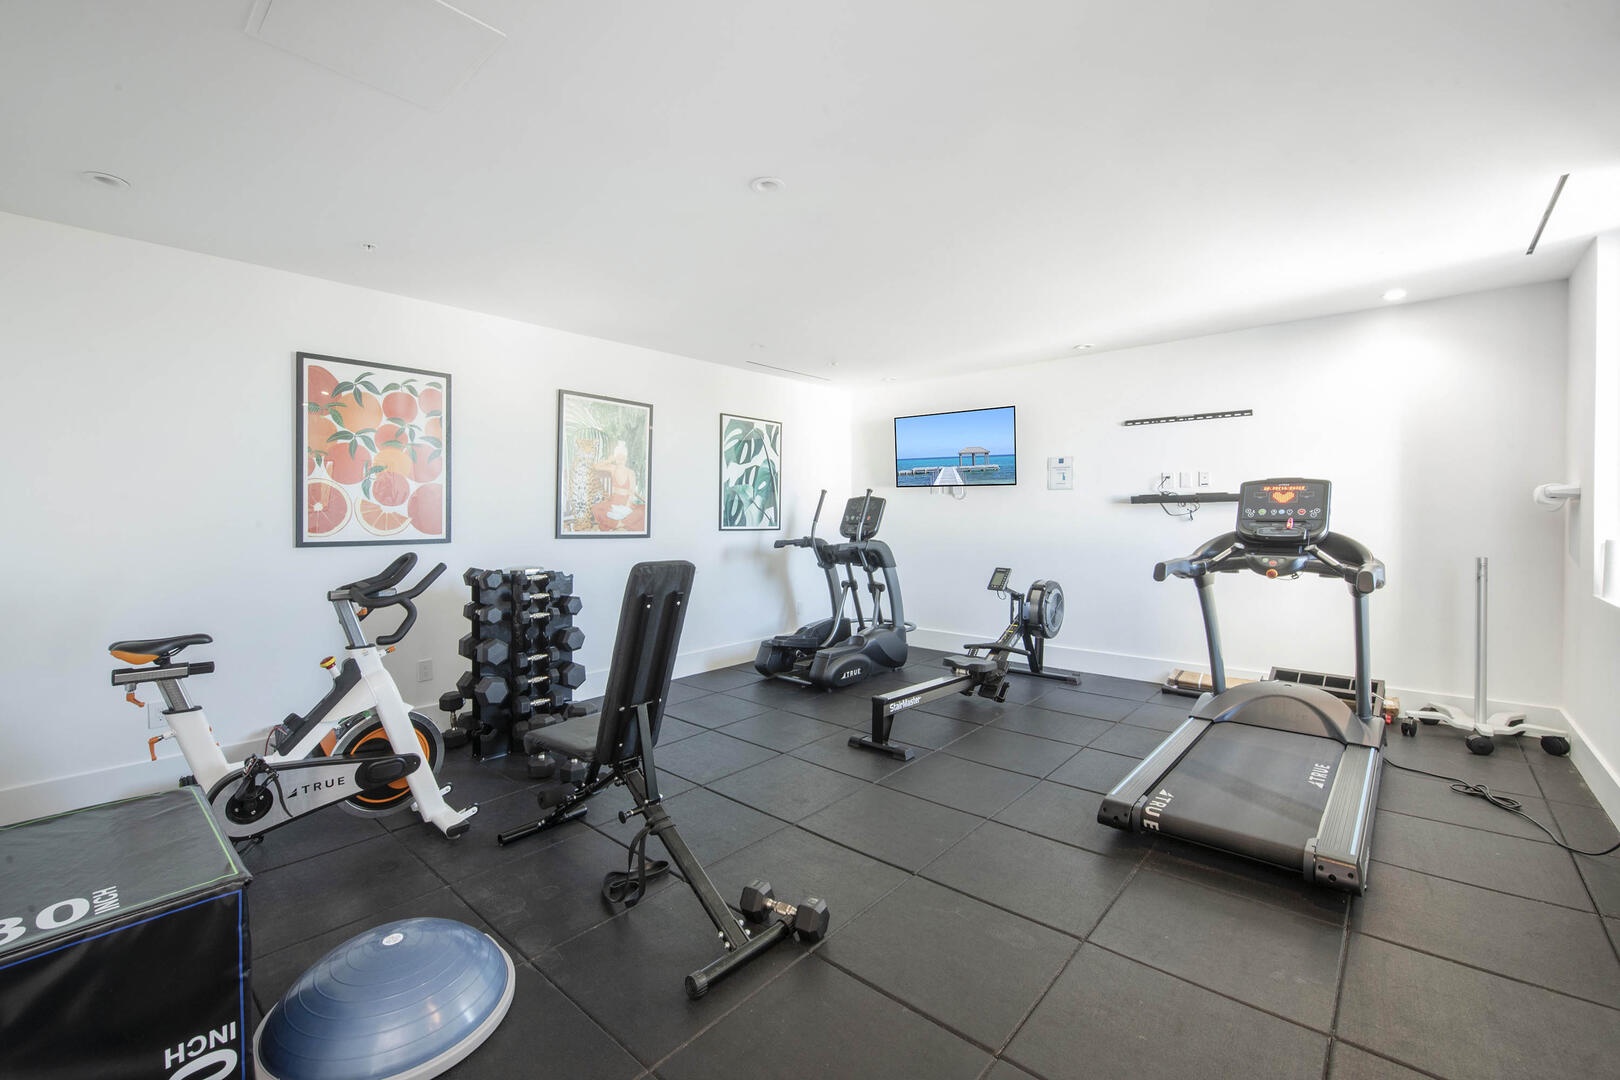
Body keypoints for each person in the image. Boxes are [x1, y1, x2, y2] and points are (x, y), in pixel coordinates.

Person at [590, 441, 646, 532]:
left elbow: (631, 492)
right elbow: (595, 467)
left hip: (625, 502)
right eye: (618, 456)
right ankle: (622, 523)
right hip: (613, 502)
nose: (620, 458)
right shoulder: (612, 468)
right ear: (616, 457)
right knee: (595, 508)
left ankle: (617, 524)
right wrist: (608, 460)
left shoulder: (630, 472)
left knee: (643, 511)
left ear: (626, 458)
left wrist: (627, 507)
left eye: (622, 456)